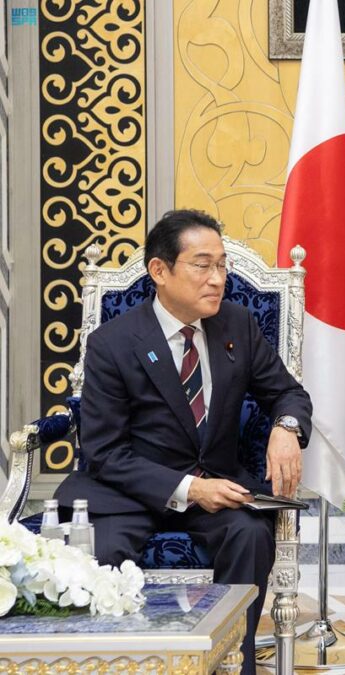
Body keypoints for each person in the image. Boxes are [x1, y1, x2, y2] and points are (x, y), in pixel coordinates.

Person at [55, 209, 312, 674]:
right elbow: (105, 452)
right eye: (202, 265)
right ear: (160, 271)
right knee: (101, 553)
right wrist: (190, 489)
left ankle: (234, 660)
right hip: (126, 494)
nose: (217, 279)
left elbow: (287, 392)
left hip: (217, 485)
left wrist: (286, 428)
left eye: (222, 265)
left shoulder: (237, 326)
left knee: (251, 534)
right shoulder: (113, 342)